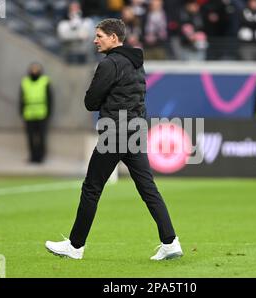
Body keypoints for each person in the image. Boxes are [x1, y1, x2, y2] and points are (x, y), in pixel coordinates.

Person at [45, 18, 183, 261]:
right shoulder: (137, 63)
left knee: (91, 188)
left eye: (99, 35)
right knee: (148, 188)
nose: (94, 40)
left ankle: (75, 247)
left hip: (114, 132)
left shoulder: (109, 64)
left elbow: (90, 102)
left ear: (113, 38)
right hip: (135, 130)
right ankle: (170, 242)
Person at [19, 62, 53, 164]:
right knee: (30, 137)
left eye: (36, 69)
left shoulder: (45, 81)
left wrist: (49, 112)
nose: (34, 71)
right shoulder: (25, 82)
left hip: (42, 113)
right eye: (32, 69)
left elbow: (50, 99)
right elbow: (21, 98)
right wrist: (21, 111)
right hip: (28, 114)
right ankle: (32, 157)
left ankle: (41, 157)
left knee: (41, 137)